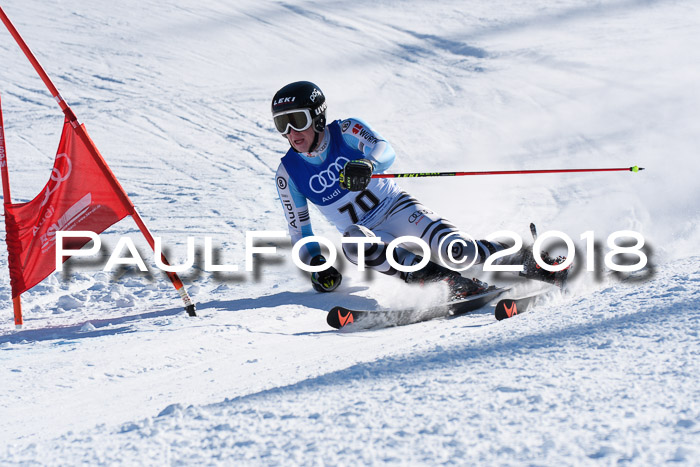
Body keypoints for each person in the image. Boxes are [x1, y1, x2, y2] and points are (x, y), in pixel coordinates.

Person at [272, 81, 560, 298]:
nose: (291, 133)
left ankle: (531, 259)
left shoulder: (346, 130)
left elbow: (385, 150)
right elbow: (300, 233)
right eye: (281, 124)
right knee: (353, 241)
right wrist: (317, 263)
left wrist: (369, 164)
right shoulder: (289, 174)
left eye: (297, 121)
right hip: (371, 234)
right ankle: (450, 283)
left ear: (318, 116)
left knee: (457, 251)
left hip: (398, 209)